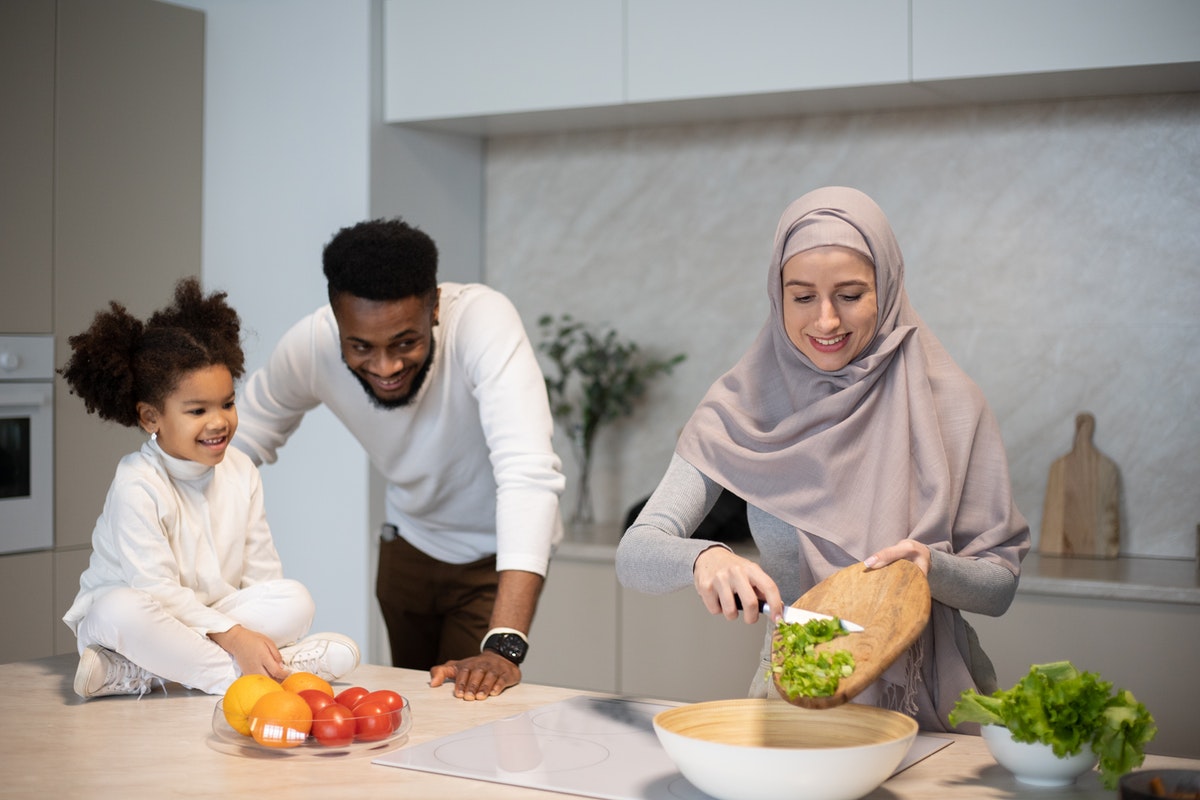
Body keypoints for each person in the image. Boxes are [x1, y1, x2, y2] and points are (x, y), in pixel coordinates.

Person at [615, 186, 1030, 732]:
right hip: (794, 700)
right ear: (777, 295)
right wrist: (703, 558)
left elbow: (998, 588)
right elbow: (635, 553)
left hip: (935, 699)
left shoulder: (951, 403)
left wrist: (929, 569)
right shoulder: (740, 406)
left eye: (851, 295)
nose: (826, 321)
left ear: (888, 286)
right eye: (803, 296)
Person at [233, 218, 565, 701]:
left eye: (404, 343)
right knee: (413, 709)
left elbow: (527, 472)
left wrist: (505, 645)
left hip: (492, 559)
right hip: (406, 548)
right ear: (335, 318)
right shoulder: (311, 344)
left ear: (433, 306)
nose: (385, 367)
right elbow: (234, 446)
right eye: (361, 346)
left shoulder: (481, 321)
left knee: (464, 712)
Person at [60, 278, 360, 700]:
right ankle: (262, 676)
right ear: (151, 418)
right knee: (119, 609)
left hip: (210, 619)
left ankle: (142, 672)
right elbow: (155, 592)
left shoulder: (240, 469)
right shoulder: (137, 483)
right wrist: (237, 639)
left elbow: (262, 576)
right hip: (138, 619)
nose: (219, 421)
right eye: (198, 410)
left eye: (227, 403)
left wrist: (248, 628)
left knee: (295, 600)